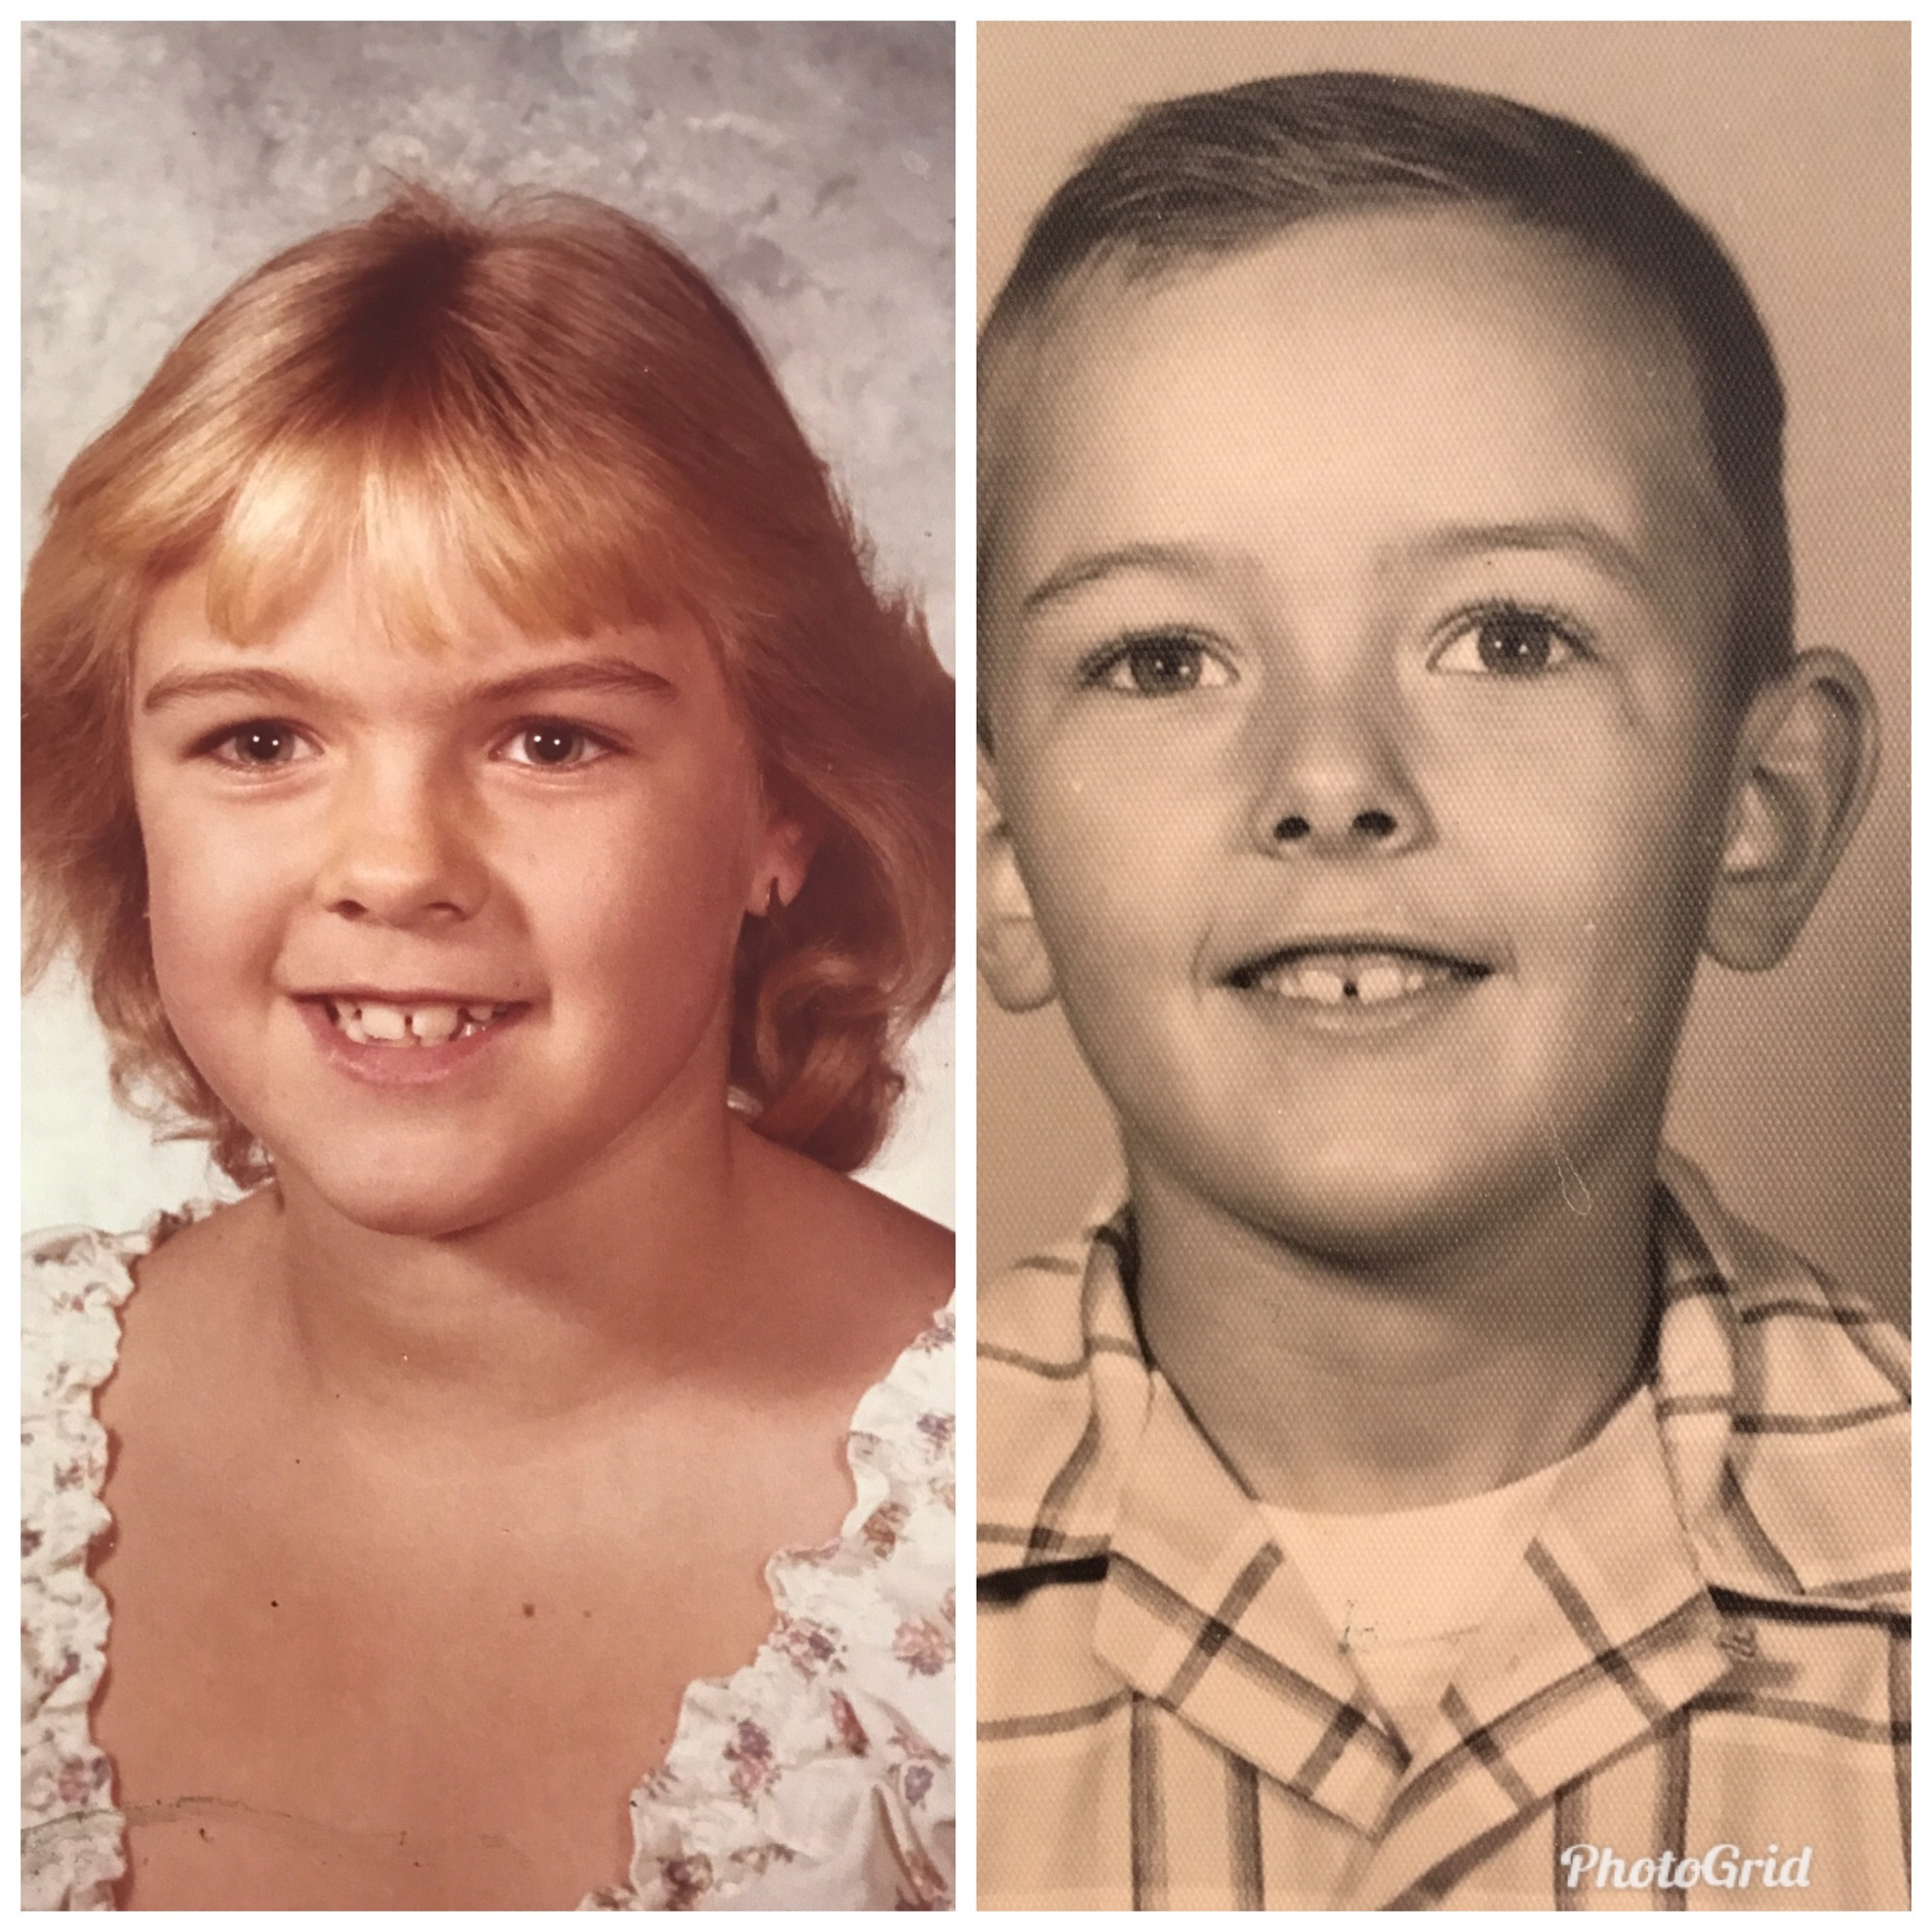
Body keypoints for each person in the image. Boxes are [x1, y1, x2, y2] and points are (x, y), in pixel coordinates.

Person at [976, 71, 1906, 1910]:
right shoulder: (844, 1562)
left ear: (1760, 808)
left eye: (1507, 637)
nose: (1332, 777)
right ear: (998, 860)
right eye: (1162, 657)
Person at [23, 185, 955, 1912]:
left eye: (546, 737)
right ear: (128, 813)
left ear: (785, 810)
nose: (391, 869)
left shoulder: (1029, 1519)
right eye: (256, 737)